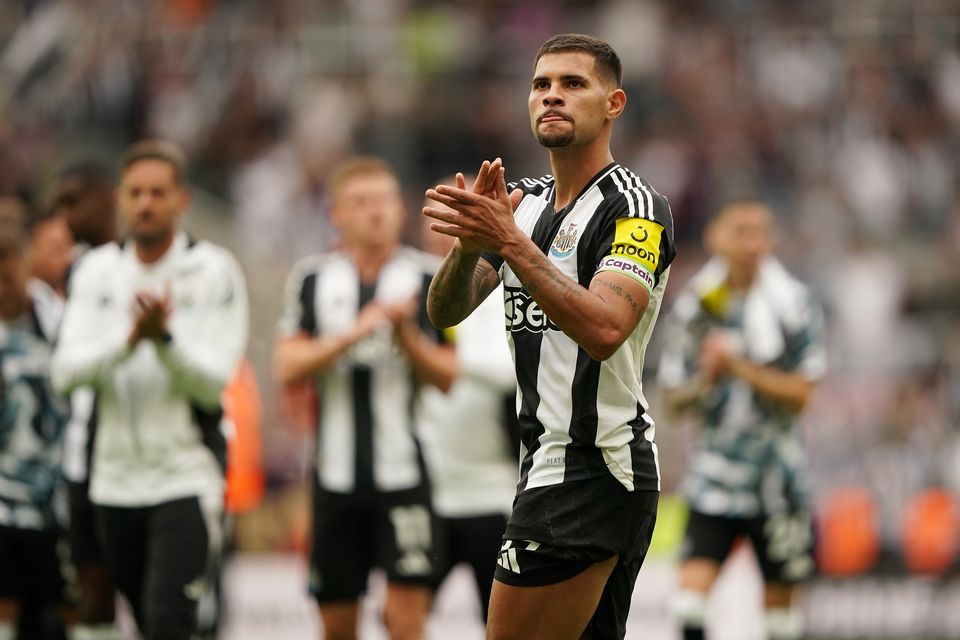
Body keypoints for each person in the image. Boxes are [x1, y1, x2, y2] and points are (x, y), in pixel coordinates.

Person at [423, 34, 676, 640]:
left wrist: (508, 242)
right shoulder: (526, 204)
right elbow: (445, 312)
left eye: (572, 84)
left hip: (592, 470)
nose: (552, 97)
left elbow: (606, 328)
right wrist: (471, 248)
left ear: (613, 103)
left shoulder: (636, 209)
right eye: (541, 85)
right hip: (550, 468)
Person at [51, 140, 249, 640]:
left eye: (158, 193)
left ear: (182, 200)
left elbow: (213, 384)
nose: (145, 203)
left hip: (185, 478)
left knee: (168, 624)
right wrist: (127, 342)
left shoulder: (213, 270)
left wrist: (163, 340)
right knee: (142, 620)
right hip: (112, 481)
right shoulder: (97, 272)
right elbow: (65, 373)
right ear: (119, 199)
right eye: (136, 192)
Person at [273, 156, 455, 640]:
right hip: (334, 479)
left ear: (400, 210)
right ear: (336, 214)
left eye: (384, 201)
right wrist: (353, 333)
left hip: (406, 477)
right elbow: (286, 366)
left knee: (406, 623)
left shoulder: (429, 279)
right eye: (361, 202)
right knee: (336, 626)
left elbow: (448, 376)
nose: (375, 212)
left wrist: (407, 338)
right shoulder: (312, 279)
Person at [657, 200, 826, 640]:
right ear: (715, 236)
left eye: (760, 232)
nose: (751, 244)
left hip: (780, 480)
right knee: (689, 604)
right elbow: (674, 401)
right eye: (740, 231)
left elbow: (802, 395)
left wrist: (739, 368)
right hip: (714, 477)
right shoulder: (696, 307)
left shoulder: (795, 306)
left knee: (781, 622)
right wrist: (706, 379)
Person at [418, 178, 518, 623]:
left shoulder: (502, 288)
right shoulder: (408, 289)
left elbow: (510, 370)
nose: (446, 226)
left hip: (492, 490)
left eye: (461, 212)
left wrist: (446, 359)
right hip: (425, 488)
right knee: (400, 617)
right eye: (441, 212)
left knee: (500, 621)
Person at [49, 159, 122, 640]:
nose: (66, 217)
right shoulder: (76, 271)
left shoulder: (150, 261)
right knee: (90, 592)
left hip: (148, 455)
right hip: (84, 456)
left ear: (106, 198)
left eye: (73, 202)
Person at [0, 233, 70, 640]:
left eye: (8, 276)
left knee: (70, 608)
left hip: (57, 497)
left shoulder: (58, 321)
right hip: (5, 500)